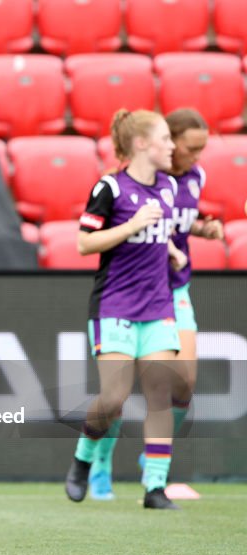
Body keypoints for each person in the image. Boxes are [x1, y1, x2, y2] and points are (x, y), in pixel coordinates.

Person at [87, 108, 221, 501]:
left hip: (174, 288)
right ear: (169, 140)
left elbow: (180, 221)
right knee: (118, 394)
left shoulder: (194, 178)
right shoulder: (146, 180)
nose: (196, 157)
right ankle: (101, 460)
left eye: (202, 150)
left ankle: (153, 456)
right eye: (190, 148)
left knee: (185, 383)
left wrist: (202, 228)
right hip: (136, 291)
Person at [64, 109, 184, 510]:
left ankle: (155, 487)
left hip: (158, 304)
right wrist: (132, 225)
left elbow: (158, 231)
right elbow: (84, 244)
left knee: (160, 394)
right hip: (115, 304)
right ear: (141, 144)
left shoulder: (168, 186)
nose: (172, 146)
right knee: (114, 397)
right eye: (165, 138)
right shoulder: (110, 187)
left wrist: (169, 250)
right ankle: (83, 456)